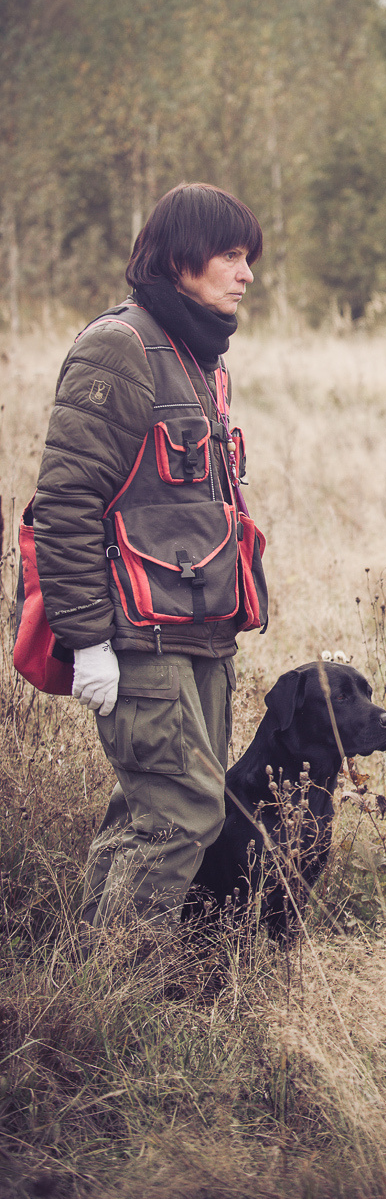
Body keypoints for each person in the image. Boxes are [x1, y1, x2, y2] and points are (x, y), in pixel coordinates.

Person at [31, 182, 268, 940]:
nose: (245, 273)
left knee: (150, 812)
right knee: (182, 811)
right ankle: (122, 1002)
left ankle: (89, 979)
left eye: (247, 257)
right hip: (136, 639)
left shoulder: (198, 357)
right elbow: (65, 505)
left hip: (198, 632)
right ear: (178, 260)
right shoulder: (121, 348)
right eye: (230, 256)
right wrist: (87, 639)